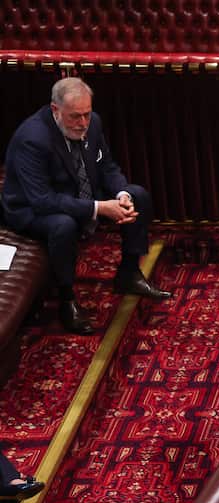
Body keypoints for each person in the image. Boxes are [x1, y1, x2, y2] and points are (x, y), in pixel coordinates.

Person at [1, 77, 170, 335]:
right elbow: (42, 200)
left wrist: (121, 194)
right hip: (30, 210)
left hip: (78, 192)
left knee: (138, 195)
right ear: (55, 110)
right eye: (75, 117)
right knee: (63, 225)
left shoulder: (93, 124)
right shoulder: (32, 140)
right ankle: (67, 300)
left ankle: (128, 272)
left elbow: (108, 168)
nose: (82, 124)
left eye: (86, 115)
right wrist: (98, 207)